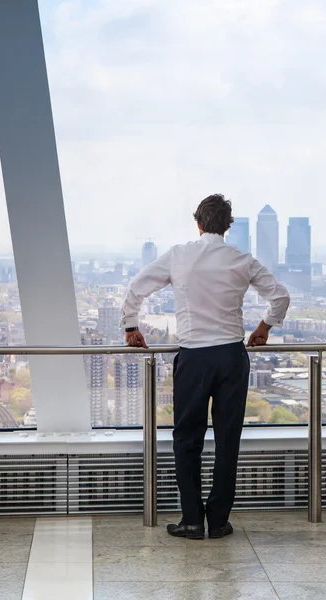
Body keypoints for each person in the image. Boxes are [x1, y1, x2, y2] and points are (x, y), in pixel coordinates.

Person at [121, 194, 290, 540]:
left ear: (197, 222)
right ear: (228, 226)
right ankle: (219, 520)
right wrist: (264, 327)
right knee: (228, 440)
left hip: (194, 357)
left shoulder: (179, 255)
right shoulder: (242, 259)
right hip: (231, 357)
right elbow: (281, 296)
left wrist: (130, 326)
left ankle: (192, 520)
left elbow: (137, 287)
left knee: (187, 440)